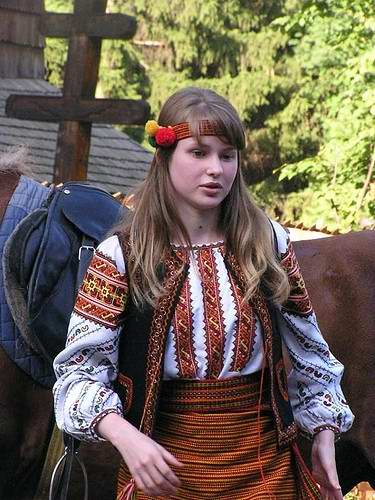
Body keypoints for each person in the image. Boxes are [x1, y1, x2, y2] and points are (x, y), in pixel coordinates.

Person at [53, 87, 354, 500]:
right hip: (162, 473)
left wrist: (322, 431)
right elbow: (77, 376)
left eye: (226, 155)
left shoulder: (266, 243)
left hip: (264, 472)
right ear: (165, 155)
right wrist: (127, 437)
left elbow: (310, 353)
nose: (215, 169)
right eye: (199, 153)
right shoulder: (123, 256)